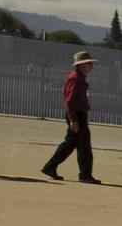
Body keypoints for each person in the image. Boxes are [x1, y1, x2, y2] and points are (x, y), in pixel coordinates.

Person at [41, 50, 100, 184]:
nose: (91, 66)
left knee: (70, 144)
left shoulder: (79, 78)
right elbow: (69, 101)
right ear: (80, 65)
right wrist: (73, 120)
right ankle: (85, 174)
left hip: (79, 115)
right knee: (83, 146)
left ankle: (50, 166)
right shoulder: (75, 78)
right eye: (88, 63)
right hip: (77, 115)